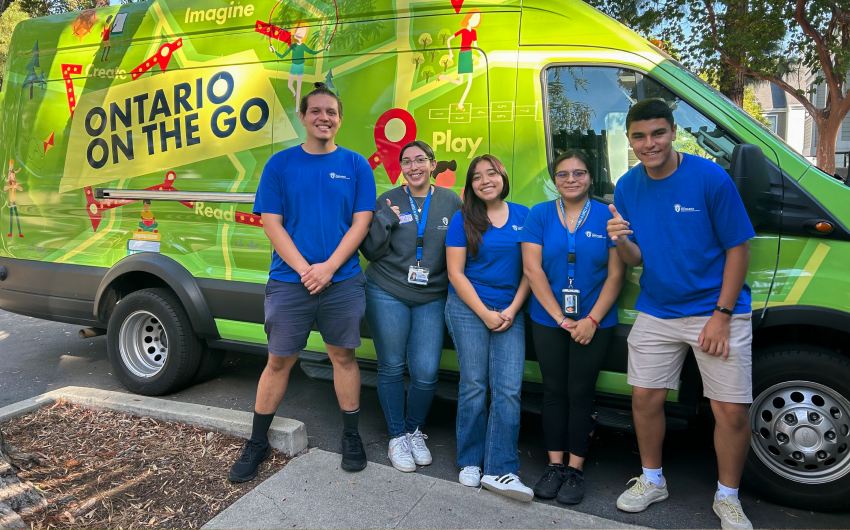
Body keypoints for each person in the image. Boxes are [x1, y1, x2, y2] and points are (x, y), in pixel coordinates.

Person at [607, 99, 755, 530]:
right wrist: (619, 239)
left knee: (730, 411)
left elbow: (738, 248)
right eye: (638, 136)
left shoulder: (709, 177)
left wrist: (723, 315)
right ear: (629, 139)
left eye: (657, 133)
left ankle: (728, 497)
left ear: (673, 132)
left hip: (716, 309)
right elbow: (634, 258)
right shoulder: (627, 186)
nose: (648, 144)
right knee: (644, 399)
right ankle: (653, 480)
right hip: (657, 308)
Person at [229, 82, 376, 482]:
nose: (324, 118)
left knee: (343, 357)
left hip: (342, 280)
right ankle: (257, 442)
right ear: (303, 116)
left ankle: (350, 436)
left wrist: (328, 268)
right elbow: (271, 223)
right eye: (316, 111)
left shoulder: (356, 165)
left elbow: (361, 223)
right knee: (278, 362)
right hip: (289, 282)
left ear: (340, 119)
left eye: (331, 112)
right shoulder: (281, 164)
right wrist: (306, 270)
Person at [520, 150, 625, 504]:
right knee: (553, 392)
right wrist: (562, 319)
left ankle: (576, 470)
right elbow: (533, 271)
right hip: (549, 319)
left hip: (595, 323)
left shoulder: (605, 215)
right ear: (555, 179)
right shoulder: (540, 214)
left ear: (590, 177)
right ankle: (554, 466)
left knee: (580, 393)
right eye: (563, 174)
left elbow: (616, 274)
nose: (571, 180)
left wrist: (591, 320)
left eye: (578, 173)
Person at [360, 140, 462, 473]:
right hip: (386, 289)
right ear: (400, 167)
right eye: (407, 161)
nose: (414, 166)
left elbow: (462, 250)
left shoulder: (451, 201)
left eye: (421, 160)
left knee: (426, 370)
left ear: (433, 165)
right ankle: (396, 436)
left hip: (432, 295)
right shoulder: (388, 199)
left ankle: (415, 430)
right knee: (390, 365)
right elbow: (371, 252)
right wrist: (384, 220)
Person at [445, 154, 533, 501]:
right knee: (474, 386)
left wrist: (511, 309)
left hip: (511, 310)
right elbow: (456, 273)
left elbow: (531, 271)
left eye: (491, 173)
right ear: (471, 184)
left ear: (502, 177)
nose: (486, 180)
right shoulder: (462, 218)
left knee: (508, 389)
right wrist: (484, 313)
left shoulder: (525, 216)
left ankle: (501, 468)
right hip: (468, 309)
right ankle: (470, 460)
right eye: (478, 176)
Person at [271, 22, 326, 108]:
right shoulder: (293, 46)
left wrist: (324, 49)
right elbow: (282, 56)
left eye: (302, 32)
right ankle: (294, 93)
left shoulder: (303, 46)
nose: (299, 33)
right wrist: (274, 51)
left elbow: (312, 52)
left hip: (300, 66)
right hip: (294, 66)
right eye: (297, 31)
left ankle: (297, 109)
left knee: (299, 87)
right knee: (290, 85)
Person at [5, 160, 22, 238]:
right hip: (11, 202)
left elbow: (21, 189)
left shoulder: (15, 184)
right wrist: (11, 186)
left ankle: (20, 233)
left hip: (14, 202)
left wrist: (16, 187)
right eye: (12, 176)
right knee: (11, 218)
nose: (13, 177)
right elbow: (5, 188)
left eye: (14, 176)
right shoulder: (9, 184)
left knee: (17, 218)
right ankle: (11, 232)